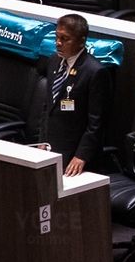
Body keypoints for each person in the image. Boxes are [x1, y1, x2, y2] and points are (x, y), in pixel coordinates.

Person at [38, 14, 108, 176]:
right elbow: (48, 107)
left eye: (65, 39)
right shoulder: (53, 61)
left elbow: (96, 123)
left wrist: (81, 156)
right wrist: (42, 141)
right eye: (57, 37)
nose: (58, 43)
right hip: (51, 148)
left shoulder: (95, 72)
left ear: (81, 41)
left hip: (75, 156)